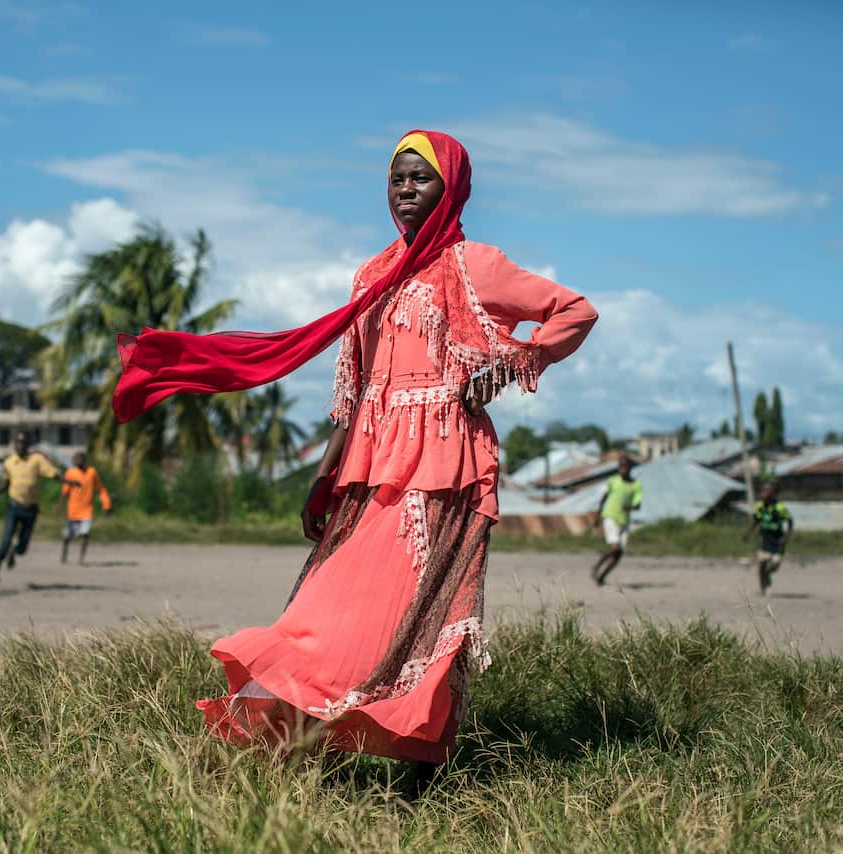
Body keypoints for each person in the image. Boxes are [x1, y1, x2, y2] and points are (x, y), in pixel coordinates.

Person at [113, 131, 597, 778]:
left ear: (450, 186)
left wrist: (509, 366)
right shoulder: (370, 274)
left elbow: (575, 310)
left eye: (419, 178)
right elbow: (354, 389)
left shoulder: (475, 265)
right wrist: (323, 475)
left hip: (447, 461)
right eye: (396, 178)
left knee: (426, 617)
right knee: (330, 610)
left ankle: (423, 772)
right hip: (372, 464)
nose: (404, 189)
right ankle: (307, 746)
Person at [0, 431, 60, 571]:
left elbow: (53, 473)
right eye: (17, 443)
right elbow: (7, 484)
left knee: (23, 547)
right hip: (14, 507)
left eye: (22, 443)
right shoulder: (9, 462)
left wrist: (68, 480)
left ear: (28, 445)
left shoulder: (36, 460)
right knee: (6, 538)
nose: (19, 446)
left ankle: (14, 552)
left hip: (30, 509)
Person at [591, 456, 643, 586]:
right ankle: (596, 566)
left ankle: (601, 577)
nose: (622, 469)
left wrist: (629, 507)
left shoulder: (636, 485)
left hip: (624, 521)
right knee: (614, 547)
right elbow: (604, 497)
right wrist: (598, 514)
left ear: (630, 468)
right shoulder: (613, 481)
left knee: (619, 554)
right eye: (620, 467)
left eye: (625, 467)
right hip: (610, 516)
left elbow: (638, 505)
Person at [57, 451, 112, 565]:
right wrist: (61, 506)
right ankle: (64, 553)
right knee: (67, 535)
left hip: (87, 511)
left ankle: (81, 558)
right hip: (72, 511)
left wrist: (106, 504)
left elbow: (101, 489)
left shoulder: (92, 473)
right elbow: (65, 491)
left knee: (85, 534)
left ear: (84, 460)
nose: (76, 461)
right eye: (75, 459)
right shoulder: (70, 473)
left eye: (78, 459)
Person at [741, 481, 793, 595]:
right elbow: (755, 520)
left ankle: (768, 575)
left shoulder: (780, 508)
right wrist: (748, 532)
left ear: (774, 493)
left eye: (767, 491)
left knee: (774, 564)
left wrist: (786, 537)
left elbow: (789, 521)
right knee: (762, 563)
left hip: (778, 541)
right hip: (765, 539)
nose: (763, 493)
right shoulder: (760, 506)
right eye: (763, 490)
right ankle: (763, 587)